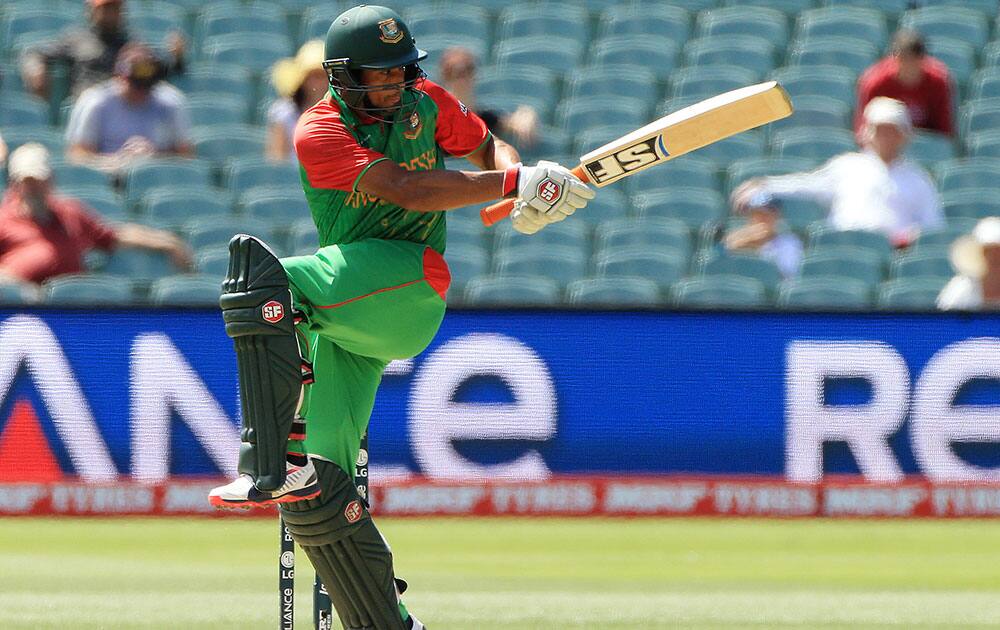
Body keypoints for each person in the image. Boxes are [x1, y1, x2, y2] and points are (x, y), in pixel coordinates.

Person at [207, 6, 593, 629]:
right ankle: (388, 617)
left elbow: (485, 146)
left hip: (412, 282)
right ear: (340, 75)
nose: (389, 86)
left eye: (397, 73)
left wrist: (521, 183)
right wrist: (512, 184)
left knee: (265, 280)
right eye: (374, 76)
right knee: (321, 492)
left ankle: (271, 454)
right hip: (355, 309)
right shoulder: (318, 130)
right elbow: (408, 189)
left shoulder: (426, 100)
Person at [733, 97, 944, 248]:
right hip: (842, 248)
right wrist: (763, 184)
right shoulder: (847, 166)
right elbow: (806, 185)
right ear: (867, 133)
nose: (885, 137)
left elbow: (932, 226)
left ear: (905, 136)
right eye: (880, 130)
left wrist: (907, 238)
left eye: (892, 131)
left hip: (892, 255)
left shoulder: (919, 179)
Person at [0, 143, 192, 286]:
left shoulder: (69, 212)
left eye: (38, 180)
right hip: (22, 314)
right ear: (14, 184)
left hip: (73, 308)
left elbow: (114, 236)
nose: (33, 188)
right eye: (27, 181)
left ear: (50, 179)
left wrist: (168, 242)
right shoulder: (4, 220)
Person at [20, 0, 186, 101]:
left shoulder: (131, 43)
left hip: (122, 108)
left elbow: (157, 70)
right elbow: (35, 53)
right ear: (92, 11)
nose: (110, 14)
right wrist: (36, 70)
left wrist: (177, 58)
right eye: (105, 8)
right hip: (86, 105)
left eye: (115, 8)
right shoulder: (77, 38)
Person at [65, 43, 193, 173]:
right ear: (120, 76)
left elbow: (186, 157)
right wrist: (118, 160)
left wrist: (153, 158)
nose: (141, 91)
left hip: (158, 178)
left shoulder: (170, 102)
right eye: (136, 84)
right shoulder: (96, 101)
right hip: (108, 179)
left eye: (147, 85)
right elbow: (77, 155)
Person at [855, 29, 954, 137]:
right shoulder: (876, 82)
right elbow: (864, 129)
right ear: (895, 58)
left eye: (913, 60)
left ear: (922, 60)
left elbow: (943, 132)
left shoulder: (937, 83)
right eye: (903, 59)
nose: (908, 65)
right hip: (884, 143)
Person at [438, 46, 539, 150]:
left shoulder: (484, 119)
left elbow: (513, 121)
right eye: (454, 72)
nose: (462, 79)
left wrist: (527, 112)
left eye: (468, 69)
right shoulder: (434, 120)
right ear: (445, 77)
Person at [265, 40, 329, 162]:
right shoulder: (284, 112)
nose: (319, 83)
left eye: (323, 76)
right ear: (302, 80)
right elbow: (277, 159)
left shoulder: (341, 112)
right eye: (314, 76)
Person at [724, 191, 803, 278]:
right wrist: (740, 245)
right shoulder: (736, 239)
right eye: (758, 213)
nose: (763, 219)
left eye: (768, 214)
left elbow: (788, 278)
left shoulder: (788, 243)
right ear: (750, 215)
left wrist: (757, 251)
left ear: (778, 216)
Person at [937, 216, 1000, 310]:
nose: (995, 256)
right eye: (989, 251)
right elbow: (944, 322)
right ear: (980, 254)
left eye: (998, 251)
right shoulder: (961, 289)